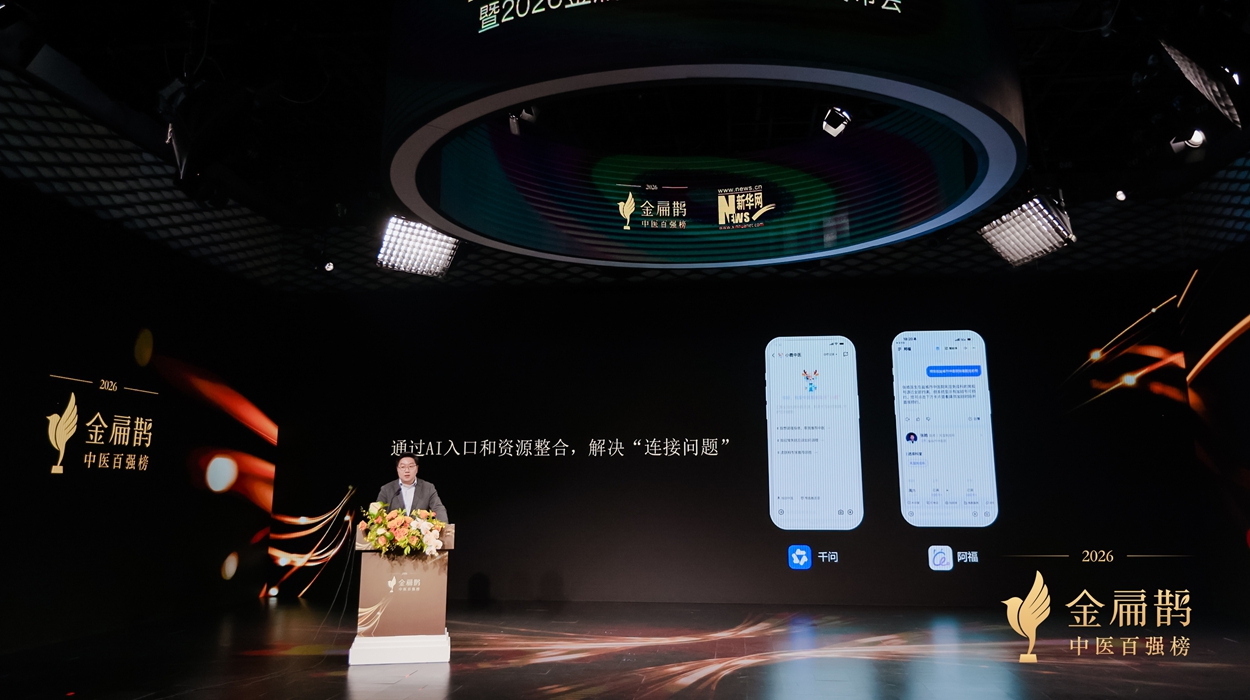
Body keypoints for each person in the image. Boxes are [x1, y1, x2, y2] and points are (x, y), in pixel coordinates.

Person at [375, 453, 448, 522]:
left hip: (420, 531)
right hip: (394, 530)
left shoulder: (428, 488)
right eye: (403, 467)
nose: (407, 470)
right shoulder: (386, 489)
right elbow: (377, 513)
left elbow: (438, 508)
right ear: (397, 469)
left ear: (417, 468)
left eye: (411, 466)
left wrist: (443, 526)